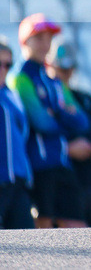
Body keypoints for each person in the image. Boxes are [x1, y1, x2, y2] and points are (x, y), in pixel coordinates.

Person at [8, 13, 89, 228]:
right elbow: (41, 122)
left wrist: (56, 113)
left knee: (78, 229)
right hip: (39, 166)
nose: (46, 43)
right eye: (40, 37)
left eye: (49, 38)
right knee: (43, 233)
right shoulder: (19, 77)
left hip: (62, 163)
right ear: (25, 41)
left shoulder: (52, 78)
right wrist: (62, 113)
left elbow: (82, 121)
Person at [45, 39, 91, 227]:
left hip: (89, 177)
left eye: (70, 69)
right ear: (50, 66)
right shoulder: (44, 100)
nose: (66, 74)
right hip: (59, 176)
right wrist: (68, 149)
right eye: (62, 69)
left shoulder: (85, 99)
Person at [0, 37, 35, 229]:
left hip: (18, 183)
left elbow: (23, 134)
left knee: (27, 242)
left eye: (8, 64)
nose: (3, 69)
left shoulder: (12, 96)